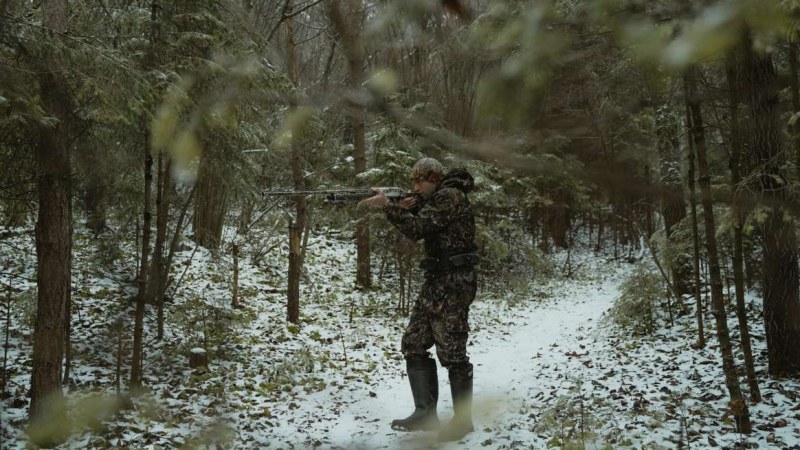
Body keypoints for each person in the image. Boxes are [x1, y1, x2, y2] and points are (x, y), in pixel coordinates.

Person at [360, 157, 479, 442]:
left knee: (452, 351)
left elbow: (417, 230)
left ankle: (463, 421)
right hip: (436, 280)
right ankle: (425, 413)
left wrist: (388, 207)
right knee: (413, 342)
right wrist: (403, 208)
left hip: (454, 281)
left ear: (435, 179)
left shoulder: (450, 196)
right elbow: (422, 223)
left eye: (420, 181)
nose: (415, 186)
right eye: (413, 181)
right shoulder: (435, 199)